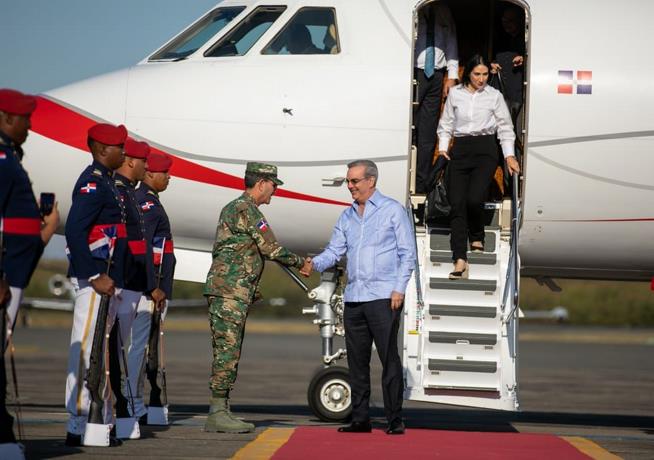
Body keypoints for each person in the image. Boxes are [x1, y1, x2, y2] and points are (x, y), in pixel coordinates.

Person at [300, 160, 416, 435]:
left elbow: (407, 253)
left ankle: (394, 419)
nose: (350, 186)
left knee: (388, 359)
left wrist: (399, 289)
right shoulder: (347, 216)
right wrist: (314, 264)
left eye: (354, 181)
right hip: (354, 298)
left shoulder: (392, 211)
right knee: (357, 363)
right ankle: (360, 419)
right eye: (348, 181)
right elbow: (334, 252)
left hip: (384, 297)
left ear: (371, 181)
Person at [203, 162, 306, 433]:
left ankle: (221, 409)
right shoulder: (246, 210)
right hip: (229, 292)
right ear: (261, 183)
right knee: (227, 351)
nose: (275, 191)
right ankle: (217, 412)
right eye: (273, 185)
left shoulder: (237, 208)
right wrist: (301, 263)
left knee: (229, 350)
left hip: (231, 290)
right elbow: (271, 248)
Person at [0, 88, 59, 452]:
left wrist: (46, 229)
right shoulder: (3, 161)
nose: (30, 127)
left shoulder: (10, 158)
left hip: (14, 275)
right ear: (7, 118)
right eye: (25, 120)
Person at [64, 122, 128, 447]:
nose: (124, 152)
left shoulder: (107, 183)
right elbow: (74, 230)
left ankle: (98, 421)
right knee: (86, 348)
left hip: (108, 281)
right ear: (103, 149)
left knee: (99, 352)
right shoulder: (92, 183)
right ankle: (77, 423)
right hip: (95, 282)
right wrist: (93, 275)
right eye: (120, 147)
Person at [436, 54, 520, 279]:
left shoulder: (494, 96)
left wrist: (509, 156)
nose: (481, 79)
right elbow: (446, 124)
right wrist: (443, 148)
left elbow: (505, 127)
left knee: (474, 198)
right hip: (461, 148)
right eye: (477, 74)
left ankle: (476, 234)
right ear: (468, 73)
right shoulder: (455, 94)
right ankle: (459, 259)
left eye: (484, 74)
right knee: (457, 204)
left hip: (485, 150)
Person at [109, 137, 155, 436]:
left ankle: (121, 411)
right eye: (144, 162)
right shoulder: (116, 191)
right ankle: (106, 413)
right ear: (130, 161)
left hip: (132, 283)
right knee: (111, 350)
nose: (146, 168)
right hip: (120, 282)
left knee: (119, 349)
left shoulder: (128, 193)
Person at [128, 151, 176, 424]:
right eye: (164, 173)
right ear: (149, 174)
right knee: (141, 346)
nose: (169, 177)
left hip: (154, 288)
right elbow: (144, 249)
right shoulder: (146, 203)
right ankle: (132, 400)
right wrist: (152, 287)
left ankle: (135, 400)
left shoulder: (151, 201)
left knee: (147, 346)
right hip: (150, 290)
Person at [413, 1, 459, 193]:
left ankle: (421, 182)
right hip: (413, 71)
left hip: (436, 75)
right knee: (411, 125)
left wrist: (452, 75)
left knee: (428, 129)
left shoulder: (442, 9)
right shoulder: (415, 7)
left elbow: (451, 40)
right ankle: (406, 173)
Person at [490, 5, 526, 127]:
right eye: (504, 21)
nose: (506, 24)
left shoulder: (527, 39)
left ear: (519, 21)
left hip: (515, 92)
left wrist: (524, 59)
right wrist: (492, 64)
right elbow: (491, 58)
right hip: (498, 90)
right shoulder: (499, 38)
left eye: (510, 21)